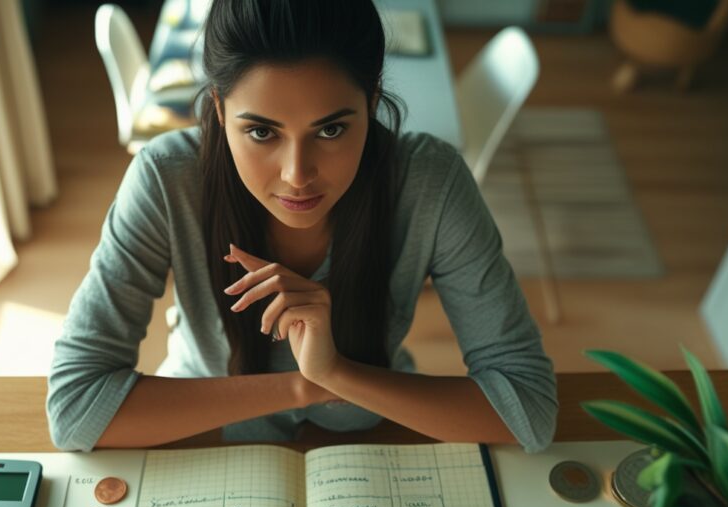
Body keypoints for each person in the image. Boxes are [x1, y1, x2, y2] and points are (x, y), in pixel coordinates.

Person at [48, 0, 557, 453]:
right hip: (199, 434)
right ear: (221, 111)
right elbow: (74, 410)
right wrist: (308, 383)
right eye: (262, 131)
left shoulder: (431, 183)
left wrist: (335, 371)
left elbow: (529, 411)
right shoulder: (166, 179)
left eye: (331, 129)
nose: (297, 175)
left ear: (372, 101)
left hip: (376, 434)